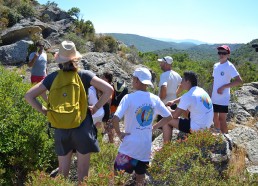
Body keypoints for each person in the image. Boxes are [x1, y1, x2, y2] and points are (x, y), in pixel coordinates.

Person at [24, 41, 113, 182]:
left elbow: (28, 96)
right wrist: (95, 108)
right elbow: (109, 90)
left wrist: (46, 112)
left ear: (59, 60)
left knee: (62, 175)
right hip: (82, 127)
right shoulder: (85, 75)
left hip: (60, 128)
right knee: (83, 176)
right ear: (75, 59)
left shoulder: (52, 77)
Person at [111, 67, 172, 185]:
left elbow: (115, 118)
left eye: (133, 79)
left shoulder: (128, 98)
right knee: (140, 179)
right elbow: (169, 116)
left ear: (137, 80)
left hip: (129, 146)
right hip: (145, 146)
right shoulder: (155, 99)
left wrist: (119, 133)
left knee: (117, 177)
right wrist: (154, 127)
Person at [162, 71, 214, 143]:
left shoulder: (189, 96)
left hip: (197, 128)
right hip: (207, 125)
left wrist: (167, 109)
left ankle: (166, 147)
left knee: (167, 120)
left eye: (182, 81)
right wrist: (173, 101)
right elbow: (185, 98)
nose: (181, 83)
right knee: (186, 108)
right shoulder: (200, 90)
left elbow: (174, 115)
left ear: (188, 82)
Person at [211, 45, 243, 134]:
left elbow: (239, 81)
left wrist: (223, 87)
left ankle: (226, 136)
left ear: (228, 55)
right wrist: (211, 93)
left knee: (222, 119)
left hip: (223, 98)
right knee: (214, 117)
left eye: (224, 53)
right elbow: (214, 80)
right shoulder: (216, 65)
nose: (221, 55)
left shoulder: (229, 66)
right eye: (219, 53)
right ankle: (218, 133)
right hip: (214, 97)